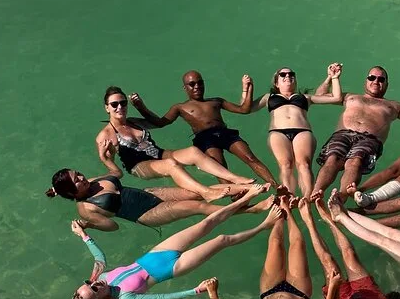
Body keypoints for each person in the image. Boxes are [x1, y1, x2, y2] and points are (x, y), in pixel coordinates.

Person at [71, 184, 280, 299]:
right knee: (222, 240)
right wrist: (194, 291)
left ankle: (249, 198)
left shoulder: (102, 277)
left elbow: (100, 258)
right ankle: (264, 225)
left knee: (206, 223)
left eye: (88, 283)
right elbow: (161, 298)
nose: (94, 283)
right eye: (94, 290)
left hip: (156, 253)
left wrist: (84, 236)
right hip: (172, 267)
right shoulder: (125, 298)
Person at [205, 197, 341, 299]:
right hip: (298, 292)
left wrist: (212, 292)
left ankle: (280, 215)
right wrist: (332, 286)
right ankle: (288, 210)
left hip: (270, 289)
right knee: (297, 244)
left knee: (275, 244)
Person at [310, 65, 400, 200]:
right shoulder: (350, 96)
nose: (376, 81)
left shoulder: (394, 106)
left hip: (369, 139)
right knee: (332, 159)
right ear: (366, 80)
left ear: (386, 84)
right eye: (372, 77)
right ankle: (316, 192)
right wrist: (330, 78)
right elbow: (319, 96)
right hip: (342, 134)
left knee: (355, 162)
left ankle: (341, 197)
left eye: (381, 79)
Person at [95, 86, 254, 202]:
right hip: (139, 165)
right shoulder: (106, 135)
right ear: (107, 108)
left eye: (123, 103)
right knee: (170, 164)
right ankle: (205, 192)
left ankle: (234, 178)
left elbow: (158, 123)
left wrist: (141, 107)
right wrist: (104, 158)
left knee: (193, 151)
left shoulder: (134, 122)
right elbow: (116, 172)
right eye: (114, 104)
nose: (120, 107)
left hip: (158, 153)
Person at [45, 150, 274, 231]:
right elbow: (113, 226)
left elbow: (116, 174)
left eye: (78, 173)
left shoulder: (92, 181)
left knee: (196, 191)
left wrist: (107, 160)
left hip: (149, 193)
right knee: (197, 206)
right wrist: (90, 225)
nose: (82, 177)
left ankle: (245, 187)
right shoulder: (86, 208)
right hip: (144, 214)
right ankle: (252, 209)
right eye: (77, 180)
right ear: (71, 192)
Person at [131, 72, 277, 185]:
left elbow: (244, 109)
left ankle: (277, 187)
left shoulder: (216, 101)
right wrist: (140, 107)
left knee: (250, 158)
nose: (197, 86)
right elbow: (160, 122)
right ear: (185, 88)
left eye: (200, 83)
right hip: (205, 138)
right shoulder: (180, 107)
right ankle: (237, 198)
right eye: (192, 84)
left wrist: (248, 88)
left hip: (225, 133)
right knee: (220, 168)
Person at [248, 64, 343, 199]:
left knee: (304, 164)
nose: (288, 76)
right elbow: (247, 108)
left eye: (291, 74)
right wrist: (247, 89)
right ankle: (289, 197)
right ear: (276, 83)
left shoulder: (305, 97)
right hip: (278, 132)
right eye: (283, 75)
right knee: (285, 165)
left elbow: (336, 98)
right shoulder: (268, 97)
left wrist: (334, 78)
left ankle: (307, 198)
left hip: (302, 131)